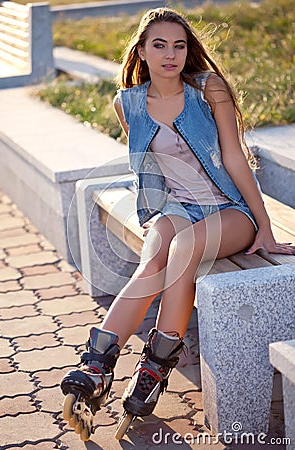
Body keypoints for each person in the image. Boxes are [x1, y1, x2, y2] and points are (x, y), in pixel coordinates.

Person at [60, 7, 294, 441]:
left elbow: (234, 158)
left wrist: (265, 229)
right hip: (175, 209)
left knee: (183, 251)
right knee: (153, 262)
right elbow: (150, 170)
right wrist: (160, 218)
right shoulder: (127, 103)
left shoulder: (209, 90)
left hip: (229, 210)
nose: (171, 54)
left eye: (179, 45)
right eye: (160, 45)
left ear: (189, 51)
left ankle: (155, 366)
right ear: (143, 52)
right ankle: (96, 367)